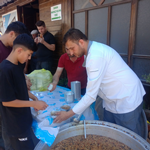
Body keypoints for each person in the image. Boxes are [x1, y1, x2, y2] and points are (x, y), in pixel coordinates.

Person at [53, 28, 146, 138]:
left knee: (129, 138)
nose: (71, 53)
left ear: (81, 42)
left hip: (126, 98)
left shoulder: (95, 56)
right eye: (68, 49)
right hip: (110, 100)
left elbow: (90, 96)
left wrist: (68, 115)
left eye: (72, 48)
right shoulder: (90, 51)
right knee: (110, 134)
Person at [0, 33, 48, 150]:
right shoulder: (5, 70)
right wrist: (33, 104)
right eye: (29, 54)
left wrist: (33, 98)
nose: (29, 58)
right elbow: (7, 101)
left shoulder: (18, 65)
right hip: (14, 126)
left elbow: (20, 90)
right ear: (19, 50)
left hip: (23, 120)